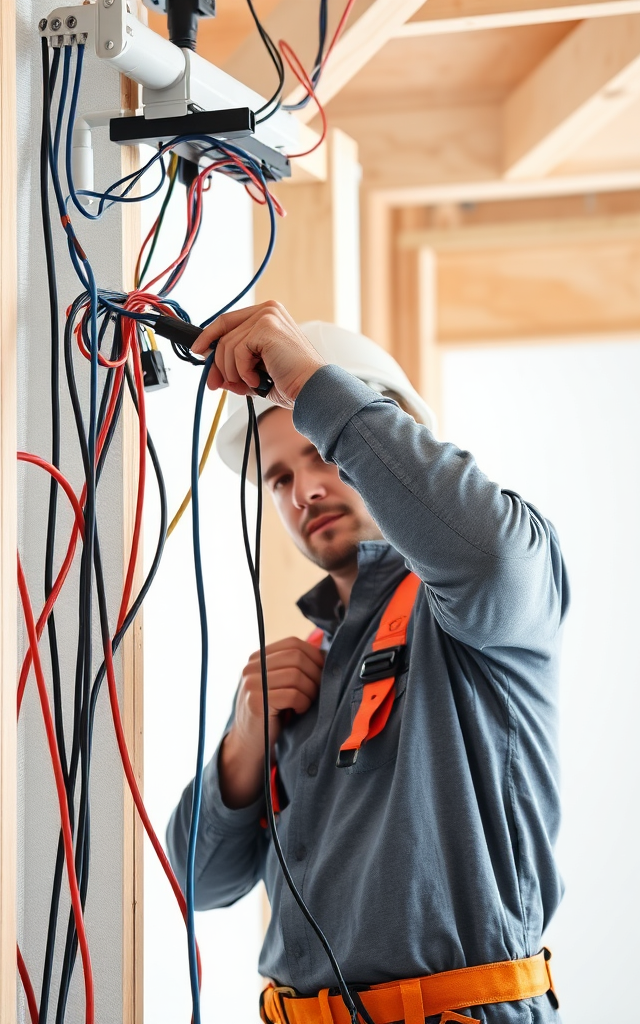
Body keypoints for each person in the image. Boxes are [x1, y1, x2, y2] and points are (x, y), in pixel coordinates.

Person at [166, 301, 569, 1024]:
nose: (305, 491)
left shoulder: (477, 618)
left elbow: (489, 555)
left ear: (389, 445)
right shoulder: (307, 665)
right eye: (279, 479)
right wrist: (245, 744)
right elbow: (196, 880)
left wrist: (313, 386)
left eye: (322, 453)